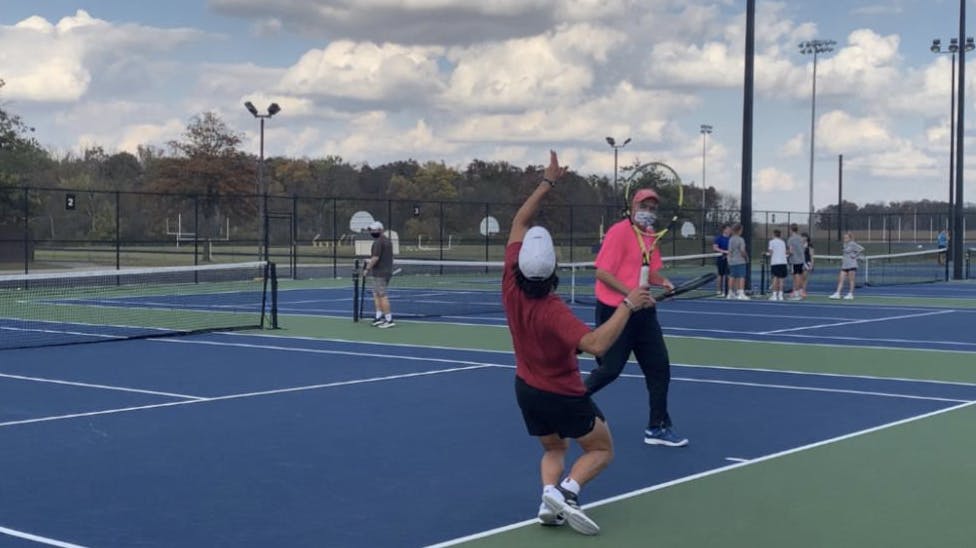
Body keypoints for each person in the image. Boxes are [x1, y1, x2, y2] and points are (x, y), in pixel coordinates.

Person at [502, 150, 651, 536]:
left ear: (519, 263)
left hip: (526, 389)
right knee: (602, 449)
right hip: (563, 393)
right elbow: (598, 345)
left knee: (554, 448)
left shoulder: (509, 283)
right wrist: (628, 305)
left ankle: (547, 503)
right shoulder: (553, 312)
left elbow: (520, 220)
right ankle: (567, 491)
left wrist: (547, 181)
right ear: (553, 269)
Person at [585, 184, 689, 448]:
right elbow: (602, 273)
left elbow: (648, 272)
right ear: (632, 207)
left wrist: (663, 281)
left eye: (653, 208)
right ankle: (568, 401)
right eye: (644, 206)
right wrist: (631, 294)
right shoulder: (619, 232)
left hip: (643, 312)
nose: (648, 212)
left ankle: (657, 427)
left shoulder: (651, 235)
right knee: (610, 370)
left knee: (660, 369)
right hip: (615, 310)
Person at [362, 221, 395, 328]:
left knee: (382, 295)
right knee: (376, 295)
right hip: (383, 272)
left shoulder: (378, 242)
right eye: (371, 230)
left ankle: (389, 320)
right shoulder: (387, 241)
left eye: (374, 230)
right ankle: (378, 317)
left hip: (380, 273)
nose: (372, 232)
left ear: (381, 230)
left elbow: (375, 258)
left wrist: (367, 268)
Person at [829, 231, 864, 300]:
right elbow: (845, 254)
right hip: (845, 265)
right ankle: (837, 293)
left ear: (850, 238)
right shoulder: (845, 244)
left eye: (846, 237)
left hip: (852, 265)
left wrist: (855, 255)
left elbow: (862, 249)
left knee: (851, 280)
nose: (844, 238)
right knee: (840, 279)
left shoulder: (853, 243)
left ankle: (850, 294)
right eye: (844, 237)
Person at [726, 223, 749, 300]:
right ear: (739, 230)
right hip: (740, 261)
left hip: (732, 261)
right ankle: (741, 293)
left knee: (732, 277)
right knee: (741, 277)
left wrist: (729, 260)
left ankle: (730, 293)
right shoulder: (741, 239)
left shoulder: (731, 239)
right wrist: (746, 257)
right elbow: (742, 251)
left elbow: (729, 251)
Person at [766, 229, 788, 301]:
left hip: (775, 263)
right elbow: (784, 252)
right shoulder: (783, 242)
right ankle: (781, 295)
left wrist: (766, 254)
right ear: (780, 235)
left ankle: (774, 295)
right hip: (783, 262)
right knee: (781, 279)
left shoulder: (771, 242)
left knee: (775, 278)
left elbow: (770, 252)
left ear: (774, 234)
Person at [786, 223, 805, 300]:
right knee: (799, 276)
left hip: (795, 260)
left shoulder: (791, 239)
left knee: (796, 276)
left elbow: (791, 251)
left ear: (791, 229)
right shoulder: (801, 238)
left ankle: (797, 293)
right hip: (801, 260)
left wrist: (785, 253)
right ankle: (799, 291)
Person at [712, 223, 731, 296]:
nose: (729, 230)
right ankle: (719, 290)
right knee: (720, 275)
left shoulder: (731, 238)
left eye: (730, 229)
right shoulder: (719, 238)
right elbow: (715, 247)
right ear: (724, 230)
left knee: (729, 275)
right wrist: (724, 252)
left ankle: (728, 291)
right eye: (728, 229)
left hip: (730, 259)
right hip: (721, 259)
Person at [801, 232, 814, 297]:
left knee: (804, 278)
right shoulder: (799, 244)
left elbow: (811, 256)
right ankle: (798, 290)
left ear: (807, 238)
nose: (803, 238)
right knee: (799, 277)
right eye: (802, 237)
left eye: (805, 237)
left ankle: (803, 291)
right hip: (799, 263)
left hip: (807, 263)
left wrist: (812, 265)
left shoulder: (809, 245)